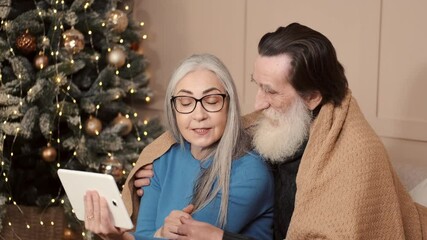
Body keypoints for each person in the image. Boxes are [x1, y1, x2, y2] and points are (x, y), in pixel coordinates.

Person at [123, 22, 427, 239]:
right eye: (257, 86)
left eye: (271, 92)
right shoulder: (276, 122)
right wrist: (146, 170)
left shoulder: (354, 155)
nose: (257, 103)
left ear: (312, 97)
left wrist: (218, 237)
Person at [84, 54, 274, 239]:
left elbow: (186, 236)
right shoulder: (161, 160)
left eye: (212, 101)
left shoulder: (251, 171)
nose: (199, 115)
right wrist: (117, 237)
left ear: (229, 106)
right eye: (185, 102)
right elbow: (143, 235)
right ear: (173, 109)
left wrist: (155, 234)